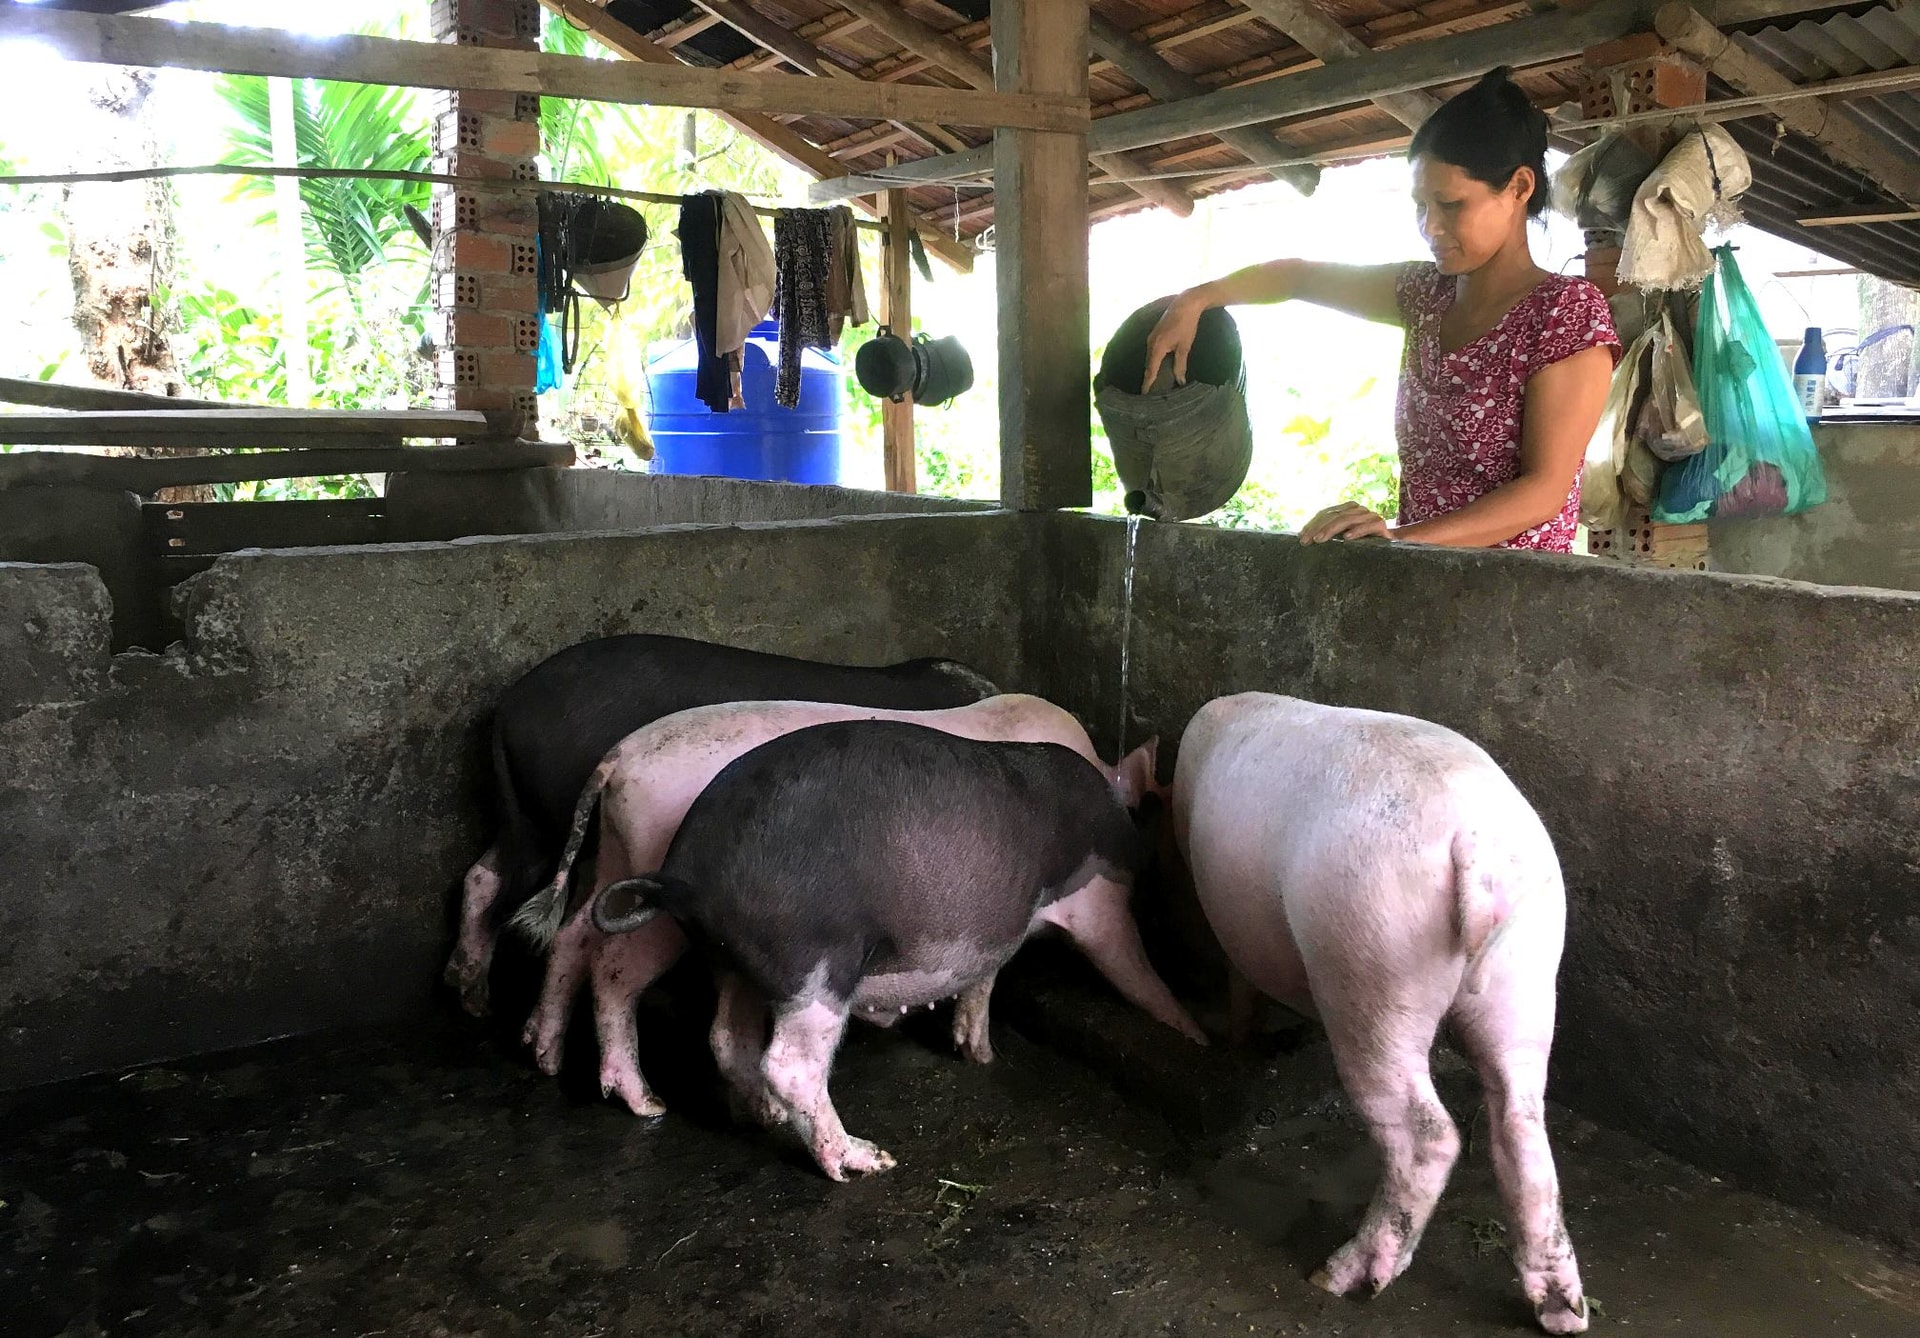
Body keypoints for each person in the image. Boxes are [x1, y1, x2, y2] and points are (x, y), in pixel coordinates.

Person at [1142, 67, 1621, 552]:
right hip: (1421, 584)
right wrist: (1199, 298)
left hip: (1517, 603)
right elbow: (1299, 276)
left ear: (1519, 188)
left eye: (1450, 204)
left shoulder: (1565, 313)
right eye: (1420, 205)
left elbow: (1543, 492)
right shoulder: (1425, 295)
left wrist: (1399, 538)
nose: (1429, 227)